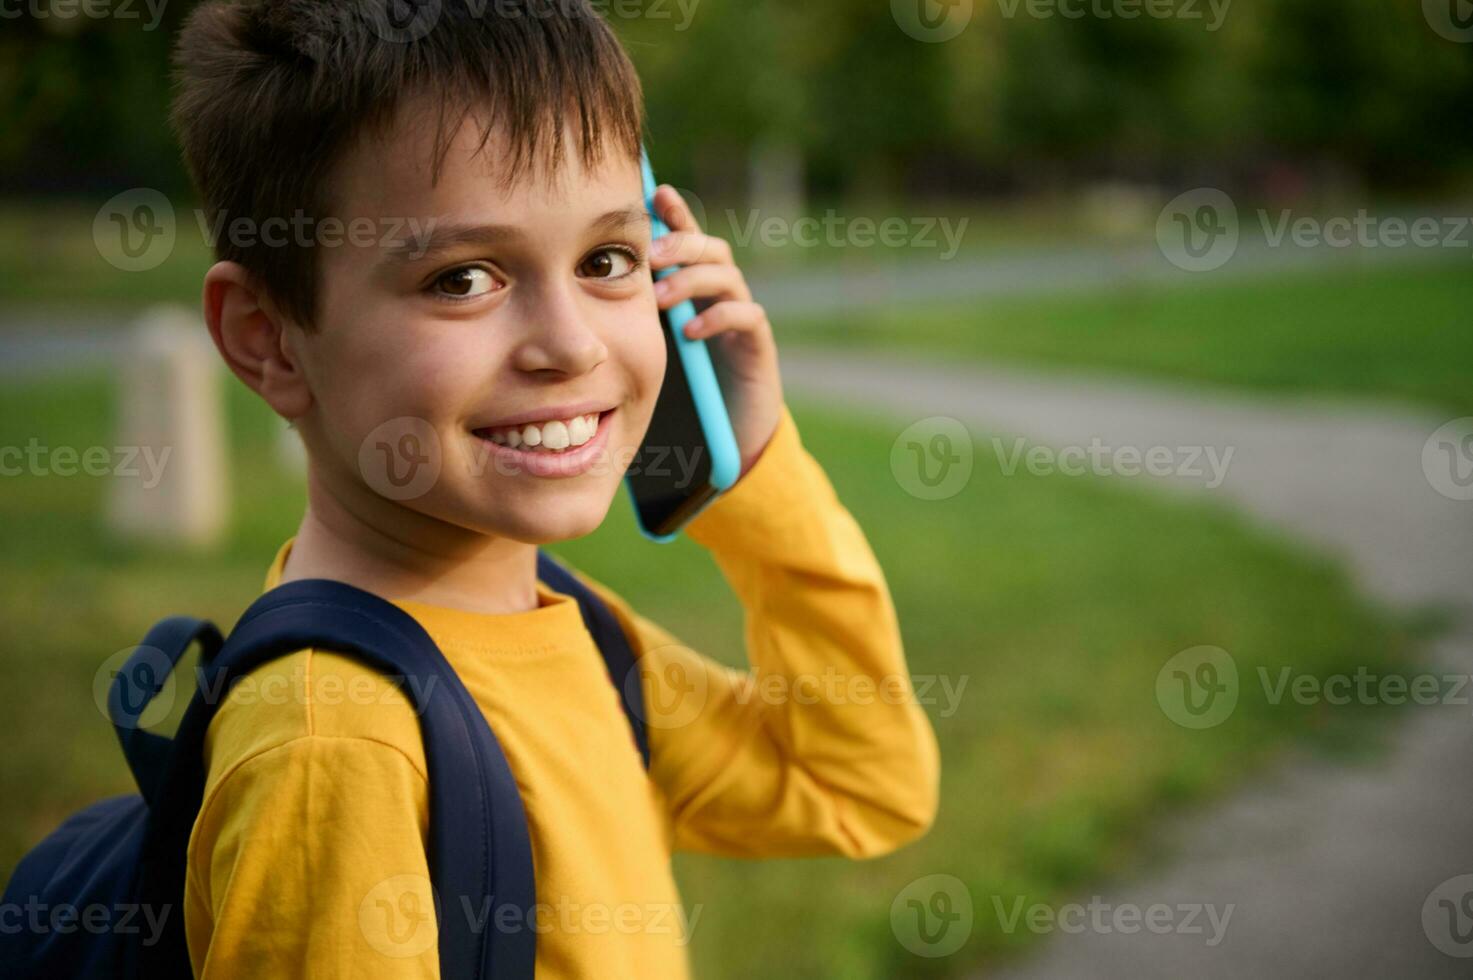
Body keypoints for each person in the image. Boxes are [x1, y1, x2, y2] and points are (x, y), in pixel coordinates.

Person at [170, 1, 940, 975]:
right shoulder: (336, 746)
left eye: (606, 260)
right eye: (464, 278)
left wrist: (749, 466)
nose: (571, 343)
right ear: (267, 336)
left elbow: (857, 780)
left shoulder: (572, 628)